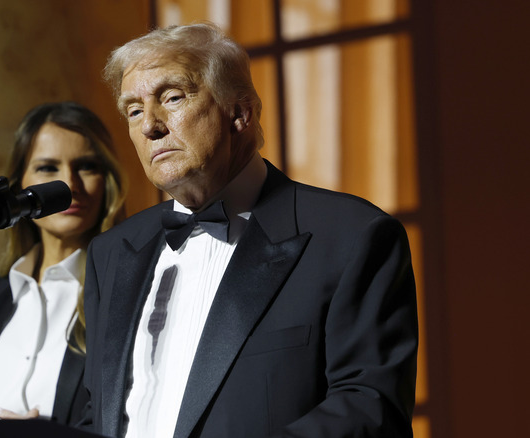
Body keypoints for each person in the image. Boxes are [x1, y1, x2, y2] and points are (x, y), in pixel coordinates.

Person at [82, 23, 418, 437]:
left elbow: (370, 409)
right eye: (134, 110)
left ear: (240, 113)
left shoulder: (352, 237)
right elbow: (95, 411)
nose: (150, 125)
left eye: (172, 97)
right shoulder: (111, 252)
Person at [0, 101, 127, 426]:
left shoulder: (126, 293)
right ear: (19, 185)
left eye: (86, 166)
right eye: (47, 168)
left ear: (107, 180)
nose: (69, 184)